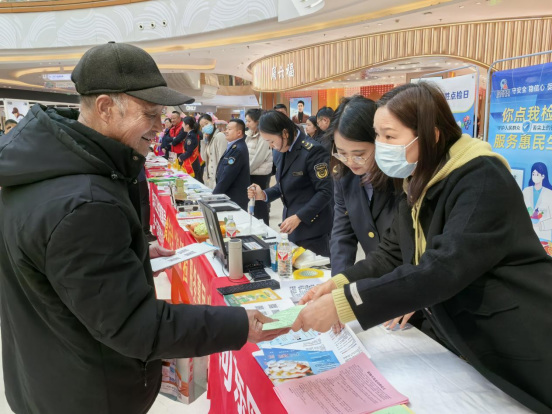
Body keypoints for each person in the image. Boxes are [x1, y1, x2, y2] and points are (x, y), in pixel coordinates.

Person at [0, 42, 287, 414]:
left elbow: (52, 264)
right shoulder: (86, 203)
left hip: (44, 374)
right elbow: (137, 326)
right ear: (105, 107)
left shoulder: (42, 168)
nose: (160, 125)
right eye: (149, 113)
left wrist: (127, 251)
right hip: (88, 393)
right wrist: (239, 324)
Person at [292, 82, 552, 414]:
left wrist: (345, 304)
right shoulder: (419, 178)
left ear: (430, 135)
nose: (381, 146)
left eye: (389, 136)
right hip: (467, 335)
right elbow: (391, 254)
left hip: (520, 333)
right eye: (378, 136)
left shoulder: (480, 178)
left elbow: (441, 270)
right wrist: (338, 283)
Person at [328, 96, 400, 275]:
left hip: (407, 279)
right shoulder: (343, 176)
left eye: (359, 154)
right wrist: (339, 283)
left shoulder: (400, 177)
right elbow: (342, 235)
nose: (351, 162)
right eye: (342, 153)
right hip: (376, 277)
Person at [248, 111, 333, 257]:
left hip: (314, 228)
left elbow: (325, 192)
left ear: (285, 133)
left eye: (271, 141)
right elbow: (283, 185)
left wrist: (299, 216)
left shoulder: (313, 151)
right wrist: (264, 194)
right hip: (291, 224)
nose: (271, 146)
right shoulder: (280, 150)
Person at [213, 118, 250, 210]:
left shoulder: (237, 149)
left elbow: (227, 175)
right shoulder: (233, 146)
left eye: (229, 129)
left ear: (239, 132)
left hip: (234, 197)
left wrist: (214, 196)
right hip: (230, 195)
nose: (226, 131)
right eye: (226, 129)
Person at [245, 108, 273, 225]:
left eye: (249, 121)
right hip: (251, 173)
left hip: (259, 175)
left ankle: (263, 230)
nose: (247, 124)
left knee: (259, 205)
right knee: (252, 205)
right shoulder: (249, 134)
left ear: (257, 121)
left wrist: (245, 172)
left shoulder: (263, 136)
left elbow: (258, 159)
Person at [522, 162, 552, 242]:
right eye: (533, 174)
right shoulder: (526, 191)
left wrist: (540, 225)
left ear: (543, 176)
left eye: (537, 174)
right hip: (526, 233)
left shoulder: (550, 193)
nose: (534, 176)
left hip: (544, 236)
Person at [199, 113, 227, 188]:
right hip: (211, 177)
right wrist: (203, 142)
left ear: (212, 122)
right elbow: (204, 158)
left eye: (206, 123)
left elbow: (223, 158)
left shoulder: (220, 136)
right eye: (202, 126)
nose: (205, 127)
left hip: (218, 176)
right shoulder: (209, 139)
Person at [177, 116, 202, 180]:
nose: (182, 125)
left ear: (187, 125)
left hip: (192, 163)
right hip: (193, 162)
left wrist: (181, 157)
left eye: (183, 124)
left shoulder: (191, 136)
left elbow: (189, 151)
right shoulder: (191, 134)